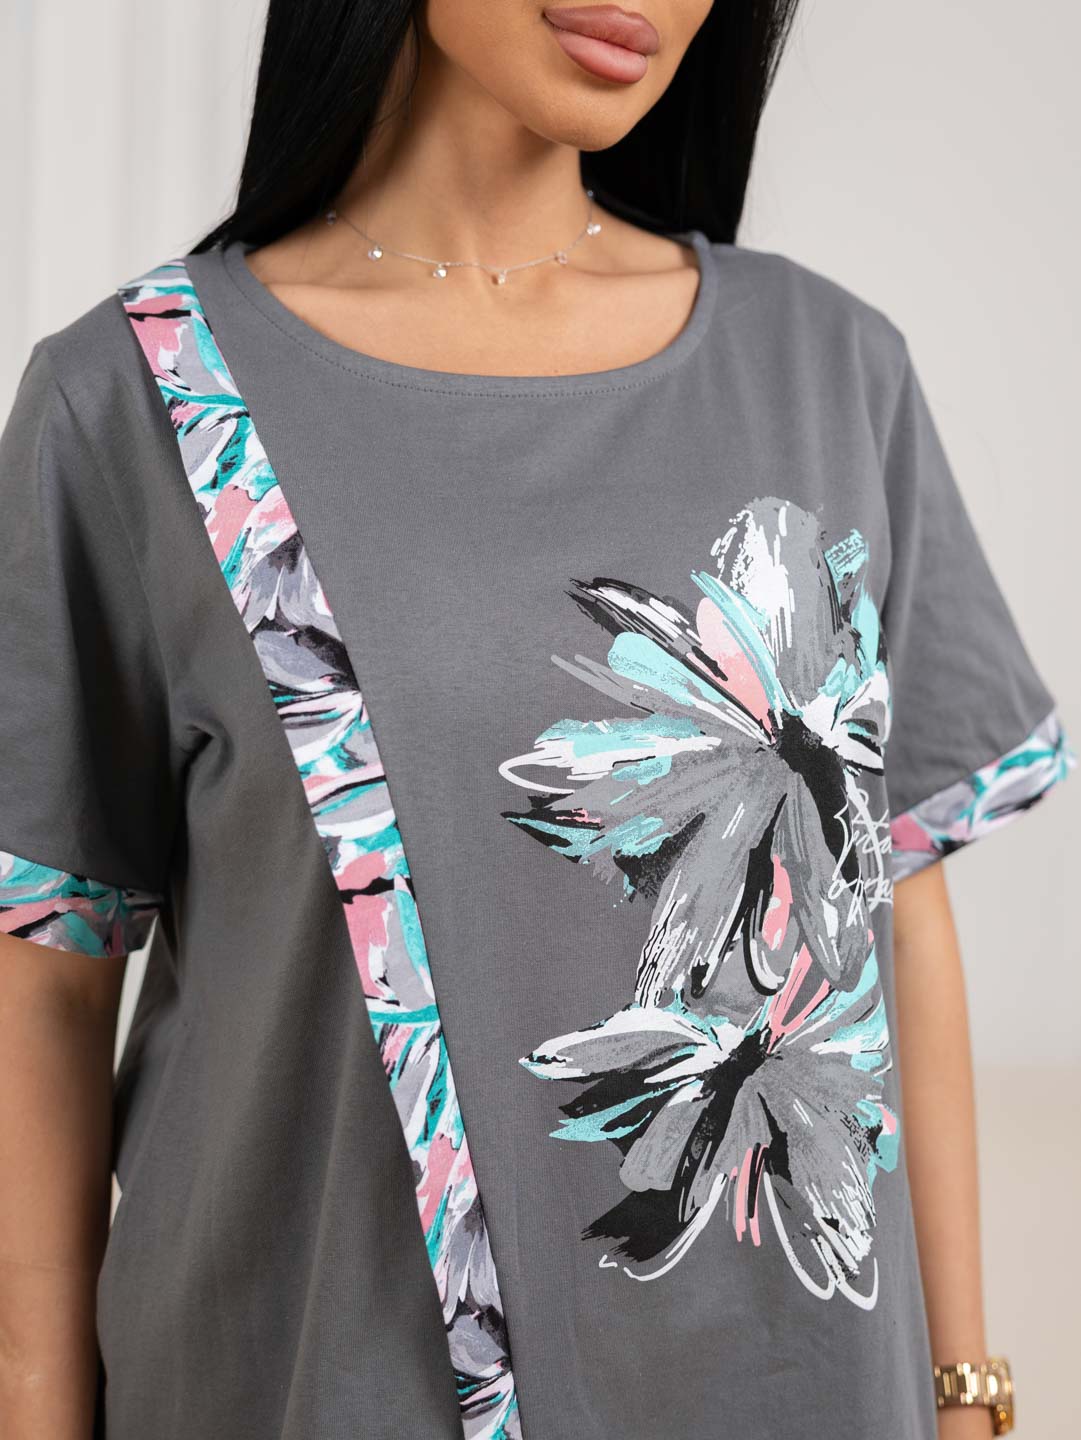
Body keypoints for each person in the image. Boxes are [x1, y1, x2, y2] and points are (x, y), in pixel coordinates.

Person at [0, 2, 1073, 1436]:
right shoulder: (142, 401)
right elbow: (44, 978)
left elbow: (896, 911)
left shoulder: (829, 371)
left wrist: (967, 1395)